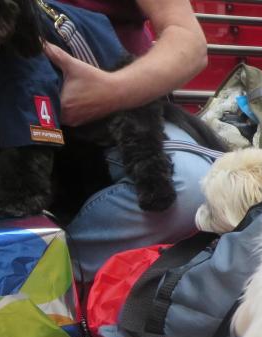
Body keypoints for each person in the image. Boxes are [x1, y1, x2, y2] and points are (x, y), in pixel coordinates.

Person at [43, 0, 222, 281]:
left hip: (121, 116)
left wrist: (110, 92)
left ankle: (41, 269)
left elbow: (189, 42)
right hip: (14, 122)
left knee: (190, 187)